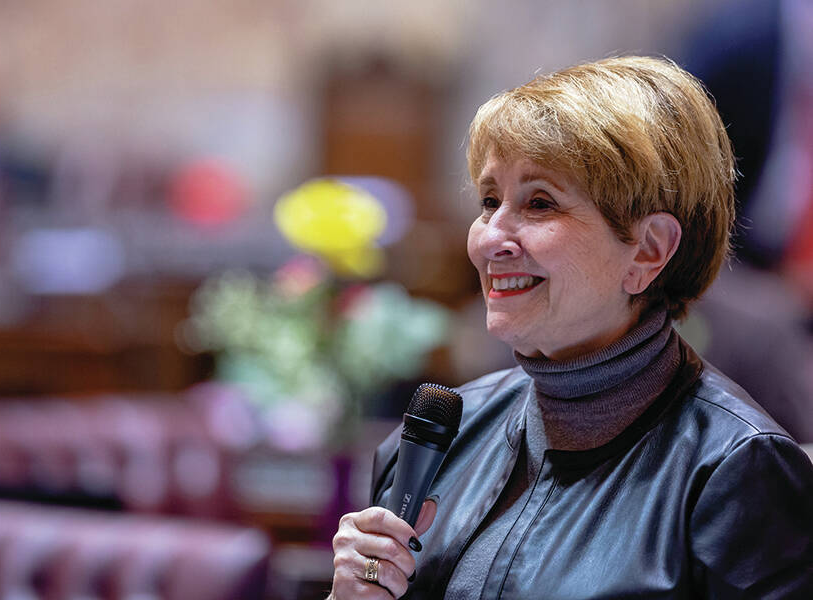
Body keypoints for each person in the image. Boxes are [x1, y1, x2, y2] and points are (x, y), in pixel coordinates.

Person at [328, 56, 813, 599]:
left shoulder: (735, 471)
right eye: (489, 202)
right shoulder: (435, 439)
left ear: (649, 250)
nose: (490, 239)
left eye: (539, 204)